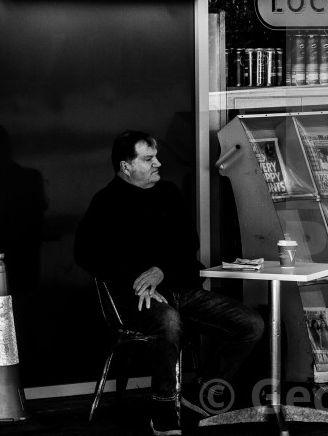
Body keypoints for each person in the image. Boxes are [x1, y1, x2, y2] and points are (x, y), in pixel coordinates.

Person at [75, 130, 264, 436]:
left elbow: (188, 244)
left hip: (180, 289)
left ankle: (200, 395)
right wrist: (137, 280)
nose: (158, 163)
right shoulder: (106, 202)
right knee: (168, 321)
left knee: (250, 324)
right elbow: (86, 253)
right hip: (132, 299)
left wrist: (160, 270)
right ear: (126, 166)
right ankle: (164, 411)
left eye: (156, 156)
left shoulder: (168, 193)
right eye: (148, 159)